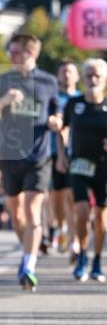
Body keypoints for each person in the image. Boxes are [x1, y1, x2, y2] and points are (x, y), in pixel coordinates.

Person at [0, 33, 62, 291]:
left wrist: (56, 121)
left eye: (15, 52)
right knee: (16, 215)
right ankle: (27, 248)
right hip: (10, 156)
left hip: (38, 156)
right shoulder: (5, 80)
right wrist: (4, 101)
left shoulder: (49, 81)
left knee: (31, 209)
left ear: (30, 54)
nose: (10, 57)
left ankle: (29, 264)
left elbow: (56, 112)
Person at [56, 57, 107, 283]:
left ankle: (97, 261)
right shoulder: (73, 104)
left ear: (104, 79)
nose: (93, 79)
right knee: (82, 213)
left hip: (104, 166)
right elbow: (61, 128)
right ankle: (82, 258)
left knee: (101, 220)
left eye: (97, 75)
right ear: (83, 78)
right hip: (78, 164)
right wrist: (61, 155)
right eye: (89, 75)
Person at [48, 60, 80, 259]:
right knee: (56, 200)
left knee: (72, 198)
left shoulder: (81, 99)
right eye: (63, 71)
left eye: (70, 72)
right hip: (51, 153)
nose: (66, 75)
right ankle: (60, 226)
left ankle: (75, 242)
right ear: (58, 76)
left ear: (77, 76)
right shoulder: (52, 99)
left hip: (76, 154)